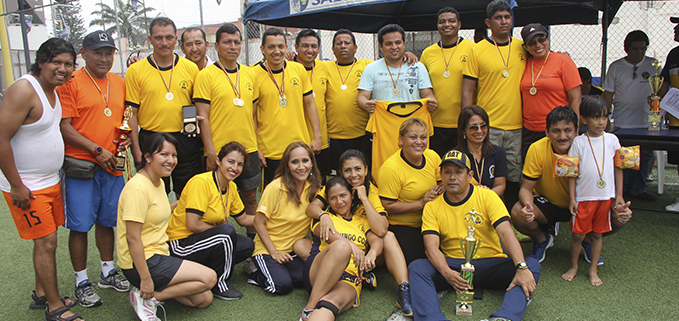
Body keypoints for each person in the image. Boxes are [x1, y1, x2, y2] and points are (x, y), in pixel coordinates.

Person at [0, 38, 80, 321]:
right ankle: (55, 307)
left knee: (47, 241)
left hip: (49, 181)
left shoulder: (54, 90)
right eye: (56, 62)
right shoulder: (24, 89)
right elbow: (1, 138)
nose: (62, 68)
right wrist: (17, 184)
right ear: (41, 62)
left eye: (68, 64)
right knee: (46, 243)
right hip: (27, 185)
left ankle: (41, 294)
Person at [409, 149, 539, 321]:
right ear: (440, 175)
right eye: (447, 172)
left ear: (470, 175)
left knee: (531, 265)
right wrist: (447, 273)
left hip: (492, 263)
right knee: (418, 268)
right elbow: (430, 247)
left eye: (458, 172)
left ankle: (505, 317)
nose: (452, 177)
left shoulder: (487, 196)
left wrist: (521, 267)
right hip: (455, 266)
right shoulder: (432, 206)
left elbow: (506, 234)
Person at [57, 30, 130, 308]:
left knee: (107, 220)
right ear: (83, 54)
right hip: (82, 165)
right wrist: (96, 150)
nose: (103, 58)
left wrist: (120, 145)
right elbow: (65, 127)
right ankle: (80, 280)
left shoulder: (118, 81)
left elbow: (122, 120)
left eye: (108, 52)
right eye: (97, 52)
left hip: (111, 165)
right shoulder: (71, 82)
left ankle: (107, 271)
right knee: (79, 225)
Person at [511, 106, 632, 265]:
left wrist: (618, 200)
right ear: (547, 132)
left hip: (584, 204)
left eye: (568, 130)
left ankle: (587, 240)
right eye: (556, 131)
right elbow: (526, 188)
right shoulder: (537, 148)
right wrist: (528, 208)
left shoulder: (591, 146)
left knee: (619, 216)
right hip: (548, 204)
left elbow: (612, 176)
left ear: (576, 131)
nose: (562, 136)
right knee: (517, 212)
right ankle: (543, 239)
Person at [117, 133, 217, 321]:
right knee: (209, 278)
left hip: (159, 254)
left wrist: (187, 201)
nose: (171, 160)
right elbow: (132, 237)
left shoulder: (157, 182)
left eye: (174, 155)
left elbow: (160, 210)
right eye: (164, 154)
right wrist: (145, 278)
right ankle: (147, 296)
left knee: (204, 298)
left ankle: (150, 292)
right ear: (147, 157)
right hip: (142, 262)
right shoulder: (138, 188)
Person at [306, 149, 414, 316]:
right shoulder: (336, 187)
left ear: (366, 169)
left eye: (358, 169)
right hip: (338, 248)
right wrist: (323, 214)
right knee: (306, 245)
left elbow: (381, 230)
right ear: (341, 172)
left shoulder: (372, 191)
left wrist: (364, 198)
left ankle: (403, 288)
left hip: (362, 245)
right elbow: (312, 208)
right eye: (347, 170)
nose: (353, 174)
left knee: (388, 236)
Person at [194, 23, 260, 240]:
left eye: (236, 42)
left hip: (248, 150)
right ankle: (216, 247)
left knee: (250, 200)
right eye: (227, 42)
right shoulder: (206, 75)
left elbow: (252, 115)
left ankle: (252, 250)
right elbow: (202, 117)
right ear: (216, 46)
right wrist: (211, 152)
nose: (232, 47)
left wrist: (257, 147)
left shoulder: (250, 74)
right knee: (215, 203)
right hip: (220, 153)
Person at [166, 142, 254, 300]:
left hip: (204, 241)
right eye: (231, 162)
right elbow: (192, 224)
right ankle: (220, 283)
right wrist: (221, 234)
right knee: (227, 233)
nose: (235, 168)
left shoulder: (231, 187)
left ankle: (205, 272)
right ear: (219, 161)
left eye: (240, 164)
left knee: (246, 245)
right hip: (180, 244)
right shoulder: (201, 182)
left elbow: (244, 219)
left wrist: (270, 218)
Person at [125, 17, 202, 197]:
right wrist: (136, 152)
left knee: (189, 195)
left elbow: (199, 107)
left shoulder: (190, 68)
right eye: (158, 38)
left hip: (185, 138)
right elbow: (131, 113)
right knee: (153, 196)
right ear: (150, 39)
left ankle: (186, 226)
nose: (164, 42)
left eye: (169, 37)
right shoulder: (135, 71)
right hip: (151, 138)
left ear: (176, 39)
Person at [324, 29, 418, 173]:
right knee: (341, 173)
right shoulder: (324, 67)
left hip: (363, 132)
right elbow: (305, 65)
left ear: (355, 48)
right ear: (332, 49)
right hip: (336, 134)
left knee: (364, 172)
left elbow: (390, 61)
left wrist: (407, 54)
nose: (343, 46)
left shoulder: (368, 66)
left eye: (347, 43)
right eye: (339, 43)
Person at [462, 0, 527, 208]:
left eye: (507, 17)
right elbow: (468, 90)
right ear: (488, 22)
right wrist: (467, 122)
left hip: (516, 125)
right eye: (498, 18)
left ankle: (512, 217)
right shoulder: (477, 50)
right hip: (488, 125)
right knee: (486, 175)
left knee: (513, 174)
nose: (504, 22)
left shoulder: (522, 47)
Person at [358, 24, 437, 178]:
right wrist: (365, 104)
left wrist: (432, 101)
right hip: (384, 128)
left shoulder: (418, 67)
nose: (394, 47)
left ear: (404, 44)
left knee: (415, 167)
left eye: (398, 43)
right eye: (388, 43)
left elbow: (428, 94)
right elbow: (361, 97)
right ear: (380, 46)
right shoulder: (371, 68)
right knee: (387, 168)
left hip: (414, 130)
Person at [300, 177, 384, 321]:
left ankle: (315, 312)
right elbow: (330, 237)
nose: (339, 202)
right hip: (320, 271)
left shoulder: (362, 220)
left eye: (343, 196)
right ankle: (309, 308)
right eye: (333, 198)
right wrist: (353, 247)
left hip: (349, 278)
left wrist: (372, 254)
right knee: (342, 246)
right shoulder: (326, 219)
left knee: (329, 305)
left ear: (352, 195)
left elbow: (377, 240)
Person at [562, 95, 624, 286]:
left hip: (605, 197)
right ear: (584, 119)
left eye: (604, 117)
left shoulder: (613, 140)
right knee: (578, 234)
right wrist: (573, 198)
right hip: (584, 197)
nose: (601, 122)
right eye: (596, 117)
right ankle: (573, 266)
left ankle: (593, 269)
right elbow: (571, 174)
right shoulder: (579, 143)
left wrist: (619, 195)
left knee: (597, 234)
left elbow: (618, 168)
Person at [248, 142, 322, 294]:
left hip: (291, 251)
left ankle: (279, 271)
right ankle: (255, 273)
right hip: (267, 249)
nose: (301, 167)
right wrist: (274, 252)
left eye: (305, 161)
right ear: (287, 165)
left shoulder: (314, 187)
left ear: (312, 163)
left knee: (305, 280)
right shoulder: (276, 187)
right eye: (295, 162)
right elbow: (258, 222)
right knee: (281, 286)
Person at [253, 28, 322, 186]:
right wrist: (256, 147)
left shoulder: (298, 69)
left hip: (299, 146)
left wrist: (317, 136)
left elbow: (310, 104)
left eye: (280, 46)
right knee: (276, 196)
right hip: (271, 149)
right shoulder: (253, 74)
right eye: (271, 47)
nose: (276, 51)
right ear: (262, 49)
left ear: (286, 47)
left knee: (304, 192)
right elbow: (253, 115)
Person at [602, 30, 657, 202]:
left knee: (646, 156)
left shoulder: (654, 65)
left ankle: (639, 189)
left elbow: (660, 91)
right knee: (624, 157)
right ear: (627, 49)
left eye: (643, 48)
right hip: (623, 122)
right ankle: (622, 190)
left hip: (648, 122)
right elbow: (608, 95)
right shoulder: (616, 67)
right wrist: (605, 117)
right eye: (635, 49)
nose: (639, 52)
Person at [378, 118, 442, 266]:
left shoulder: (432, 156)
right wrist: (420, 203)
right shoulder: (391, 169)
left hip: (432, 221)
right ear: (401, 139)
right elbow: (388, 205)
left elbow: (441, 181)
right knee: (422, 262)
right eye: (413, 137)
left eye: (423, 137)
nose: (419, 142)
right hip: (404, 225)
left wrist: (440, 189)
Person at [519, 23, 581, 160]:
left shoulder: (563, 61)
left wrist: (575, 129)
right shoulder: (524, 63)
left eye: (542, 39)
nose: (538, 45)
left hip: (558, 129)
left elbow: (576, 98)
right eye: (532, 42)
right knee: (532, 172)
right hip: (529, 129)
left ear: (548, 39)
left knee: (561, 170)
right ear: (526, 47)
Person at [420, 7, 475, 157]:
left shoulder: (472, 49)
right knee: (438, 167)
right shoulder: (427, 53)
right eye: (442, 21)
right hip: (435, 123)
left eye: (451, 21)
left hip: (463, 122)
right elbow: (421, 83)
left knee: (461, 166)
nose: (447, 24)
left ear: (459, 24)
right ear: (437, 26)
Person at [292, 29, 331, 181]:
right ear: (296, 48)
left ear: (319, 49)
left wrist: (407, 55)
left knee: (319, 181)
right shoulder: (287, 68)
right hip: (296, 138)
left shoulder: (325, 68)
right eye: (305, 46)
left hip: (320, 138)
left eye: (314, 46)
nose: (310, 50)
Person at [457, 106, 507, 196]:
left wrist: (486, 196)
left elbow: (500, 185)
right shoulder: (456, 155)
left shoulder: (498, 152)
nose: (479, 131)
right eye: (473, 127)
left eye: (483, 126)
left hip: (490, 202)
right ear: (464, 130)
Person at [658, 16, 679, 211]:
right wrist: (656, 98)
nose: (676, 29)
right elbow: (663, 85)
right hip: (675, 118)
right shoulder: (673, 54)